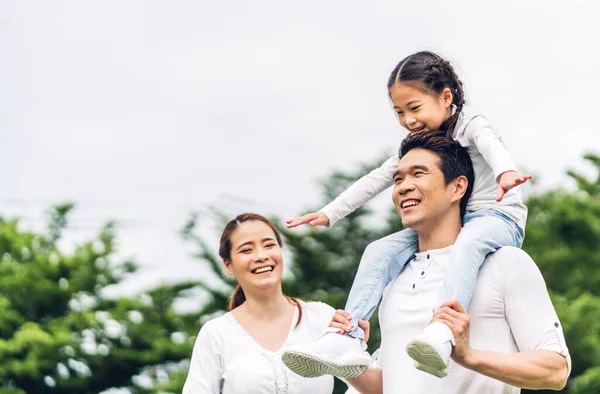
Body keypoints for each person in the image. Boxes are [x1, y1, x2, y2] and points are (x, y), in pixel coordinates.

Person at [283, 51, 531, 377]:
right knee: (379, 250)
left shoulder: (471, 125)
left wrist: (505, 173)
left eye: (414, 108)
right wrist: (330, 213)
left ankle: (442, 332)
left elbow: (490, 145)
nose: (408, 120)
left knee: (469, 243)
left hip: (498, 217)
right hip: (453, 219)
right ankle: (347, 335)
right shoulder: (417, 144)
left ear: (446, 97)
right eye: (399, 112)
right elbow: (377, 178)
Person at [290, 132, 571, 393]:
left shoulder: (505, 262)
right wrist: (347, 362)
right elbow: (390, 385)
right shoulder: (392, 277)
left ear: (458, 187)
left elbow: (555, 370)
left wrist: (469, 357)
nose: (403, 187)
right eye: (398, 179)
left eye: (418, 174)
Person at [182, 213, 339, 394]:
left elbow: (369, 385)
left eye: (269, 245)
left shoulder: (323, 317)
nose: (261, 256)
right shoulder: (216, 334)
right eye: (246, 250)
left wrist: (354, 339)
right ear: (228, 265)